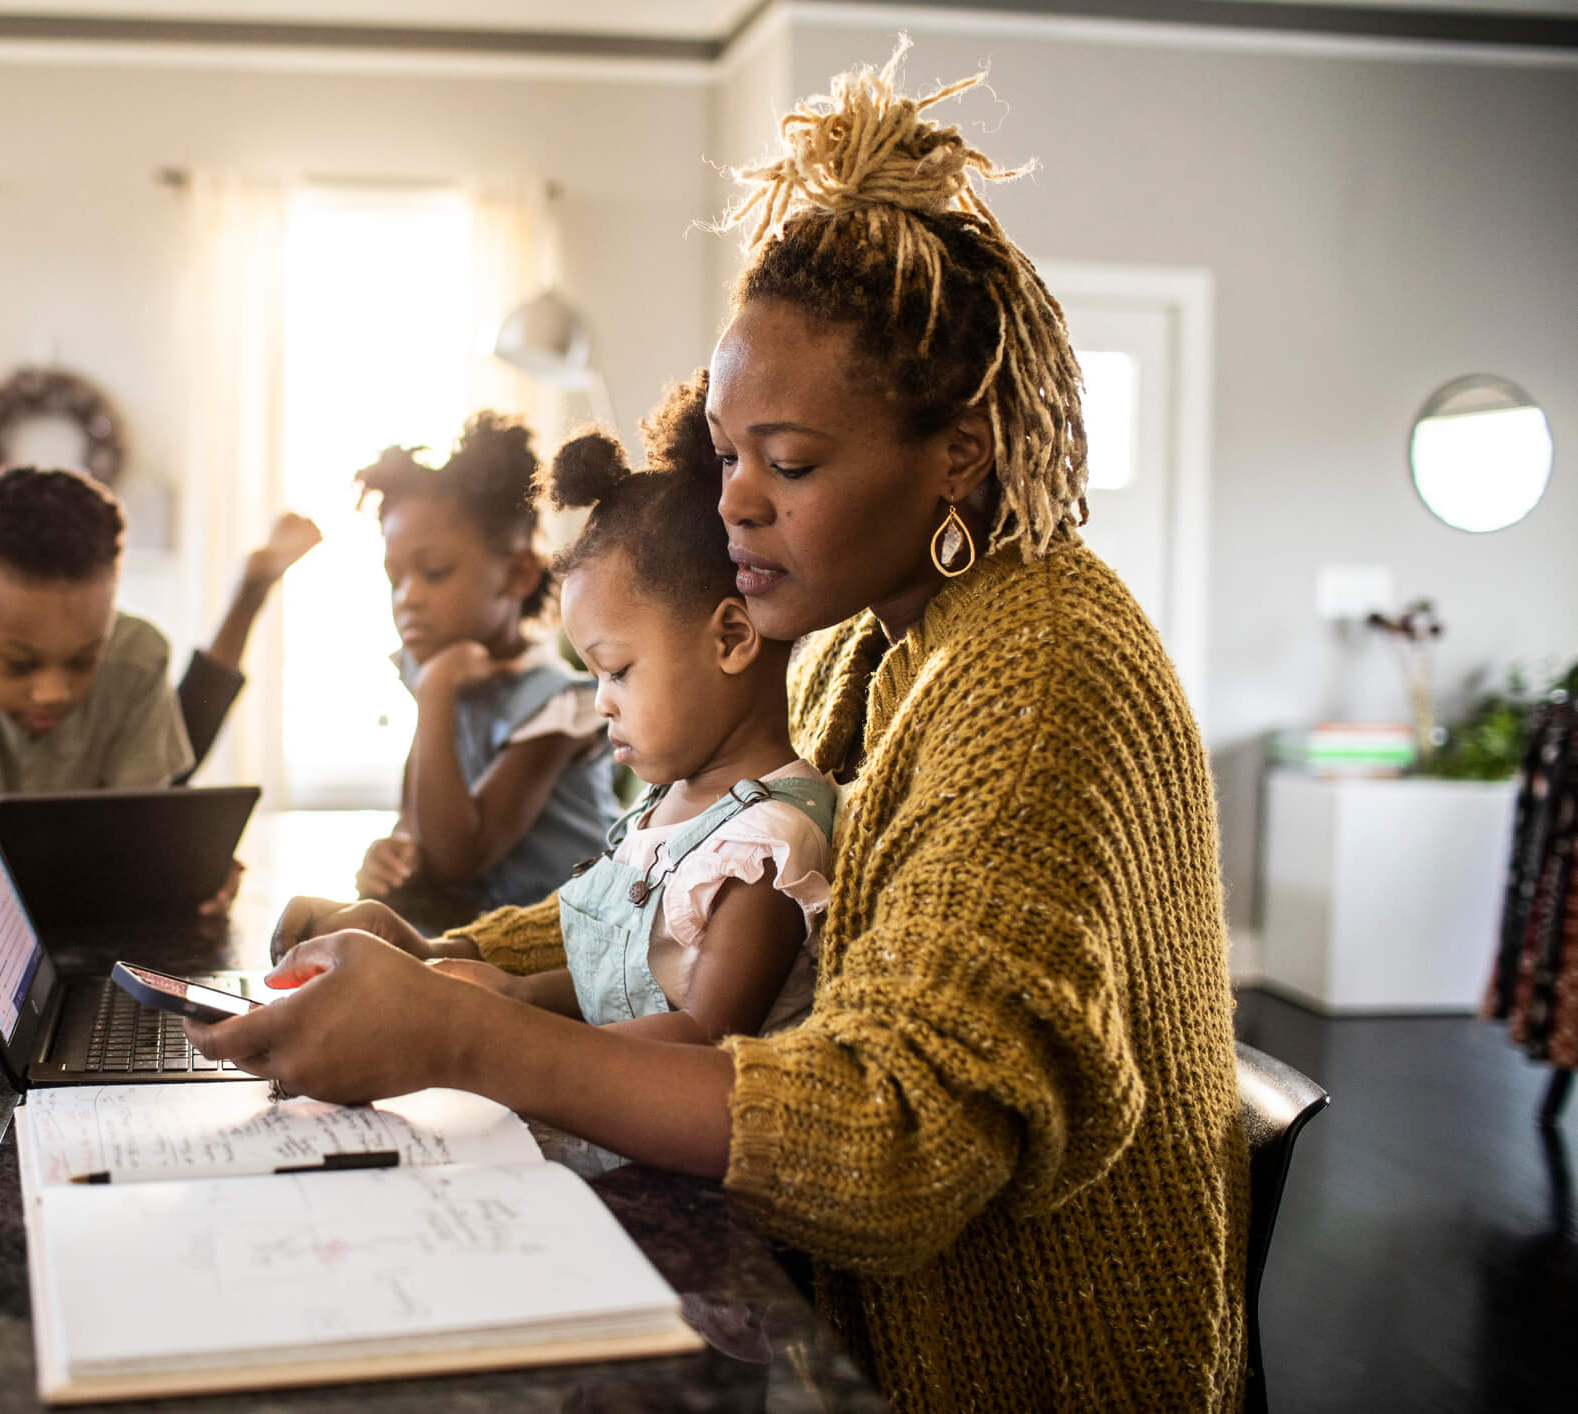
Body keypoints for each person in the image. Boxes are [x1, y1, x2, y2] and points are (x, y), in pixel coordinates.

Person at [190, 45, 1246, 1414]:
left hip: (1014, 1361)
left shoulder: (1039, 674)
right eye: (730, 451)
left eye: (790, 463)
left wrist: (463, 1036)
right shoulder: (875, 634)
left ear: (960, 454)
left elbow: (896, 1142)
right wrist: (438, 963)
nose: (736, 503)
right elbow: (666, 875)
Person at [434, 378, 837, 1067]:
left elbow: (697, 1038)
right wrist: (509, 993)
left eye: (617, 671)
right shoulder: (668, 808)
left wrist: (496, 1039)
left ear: (731, 638)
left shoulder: (766, 846)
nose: (600, 701)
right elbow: (623, 983)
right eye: (592, 677)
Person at [0, 465, 319, 906]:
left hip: (127, 792)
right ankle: (251, 590)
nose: (53, 692)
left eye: (84, 660)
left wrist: (182, 865)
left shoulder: (137, 652)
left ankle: (249, 594)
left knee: (181, 757)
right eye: (19, 663)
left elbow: (139, 833)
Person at [351, 412, 619, 928]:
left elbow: (458, 857)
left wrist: (435, 694)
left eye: (434, 573)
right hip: (477, 936)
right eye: (395, 578)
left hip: (570, 948)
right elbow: (419, 828)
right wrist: (392, 856)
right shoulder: (439, 676)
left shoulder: (559, 703)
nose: (408, 599)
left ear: (517, 574)